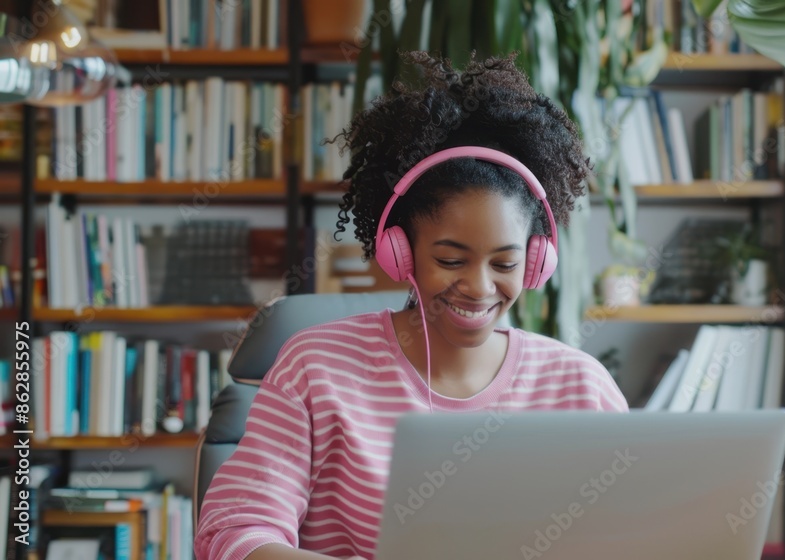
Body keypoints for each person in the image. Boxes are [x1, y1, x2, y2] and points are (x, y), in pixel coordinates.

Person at [194, 52, 628, 560]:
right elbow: (233, 534)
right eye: (450, 259)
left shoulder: (581, 387)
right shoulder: (315, 369)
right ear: (399, 252)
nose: (479, 286)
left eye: (505, 264)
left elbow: (637, 535)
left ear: (537, 261)